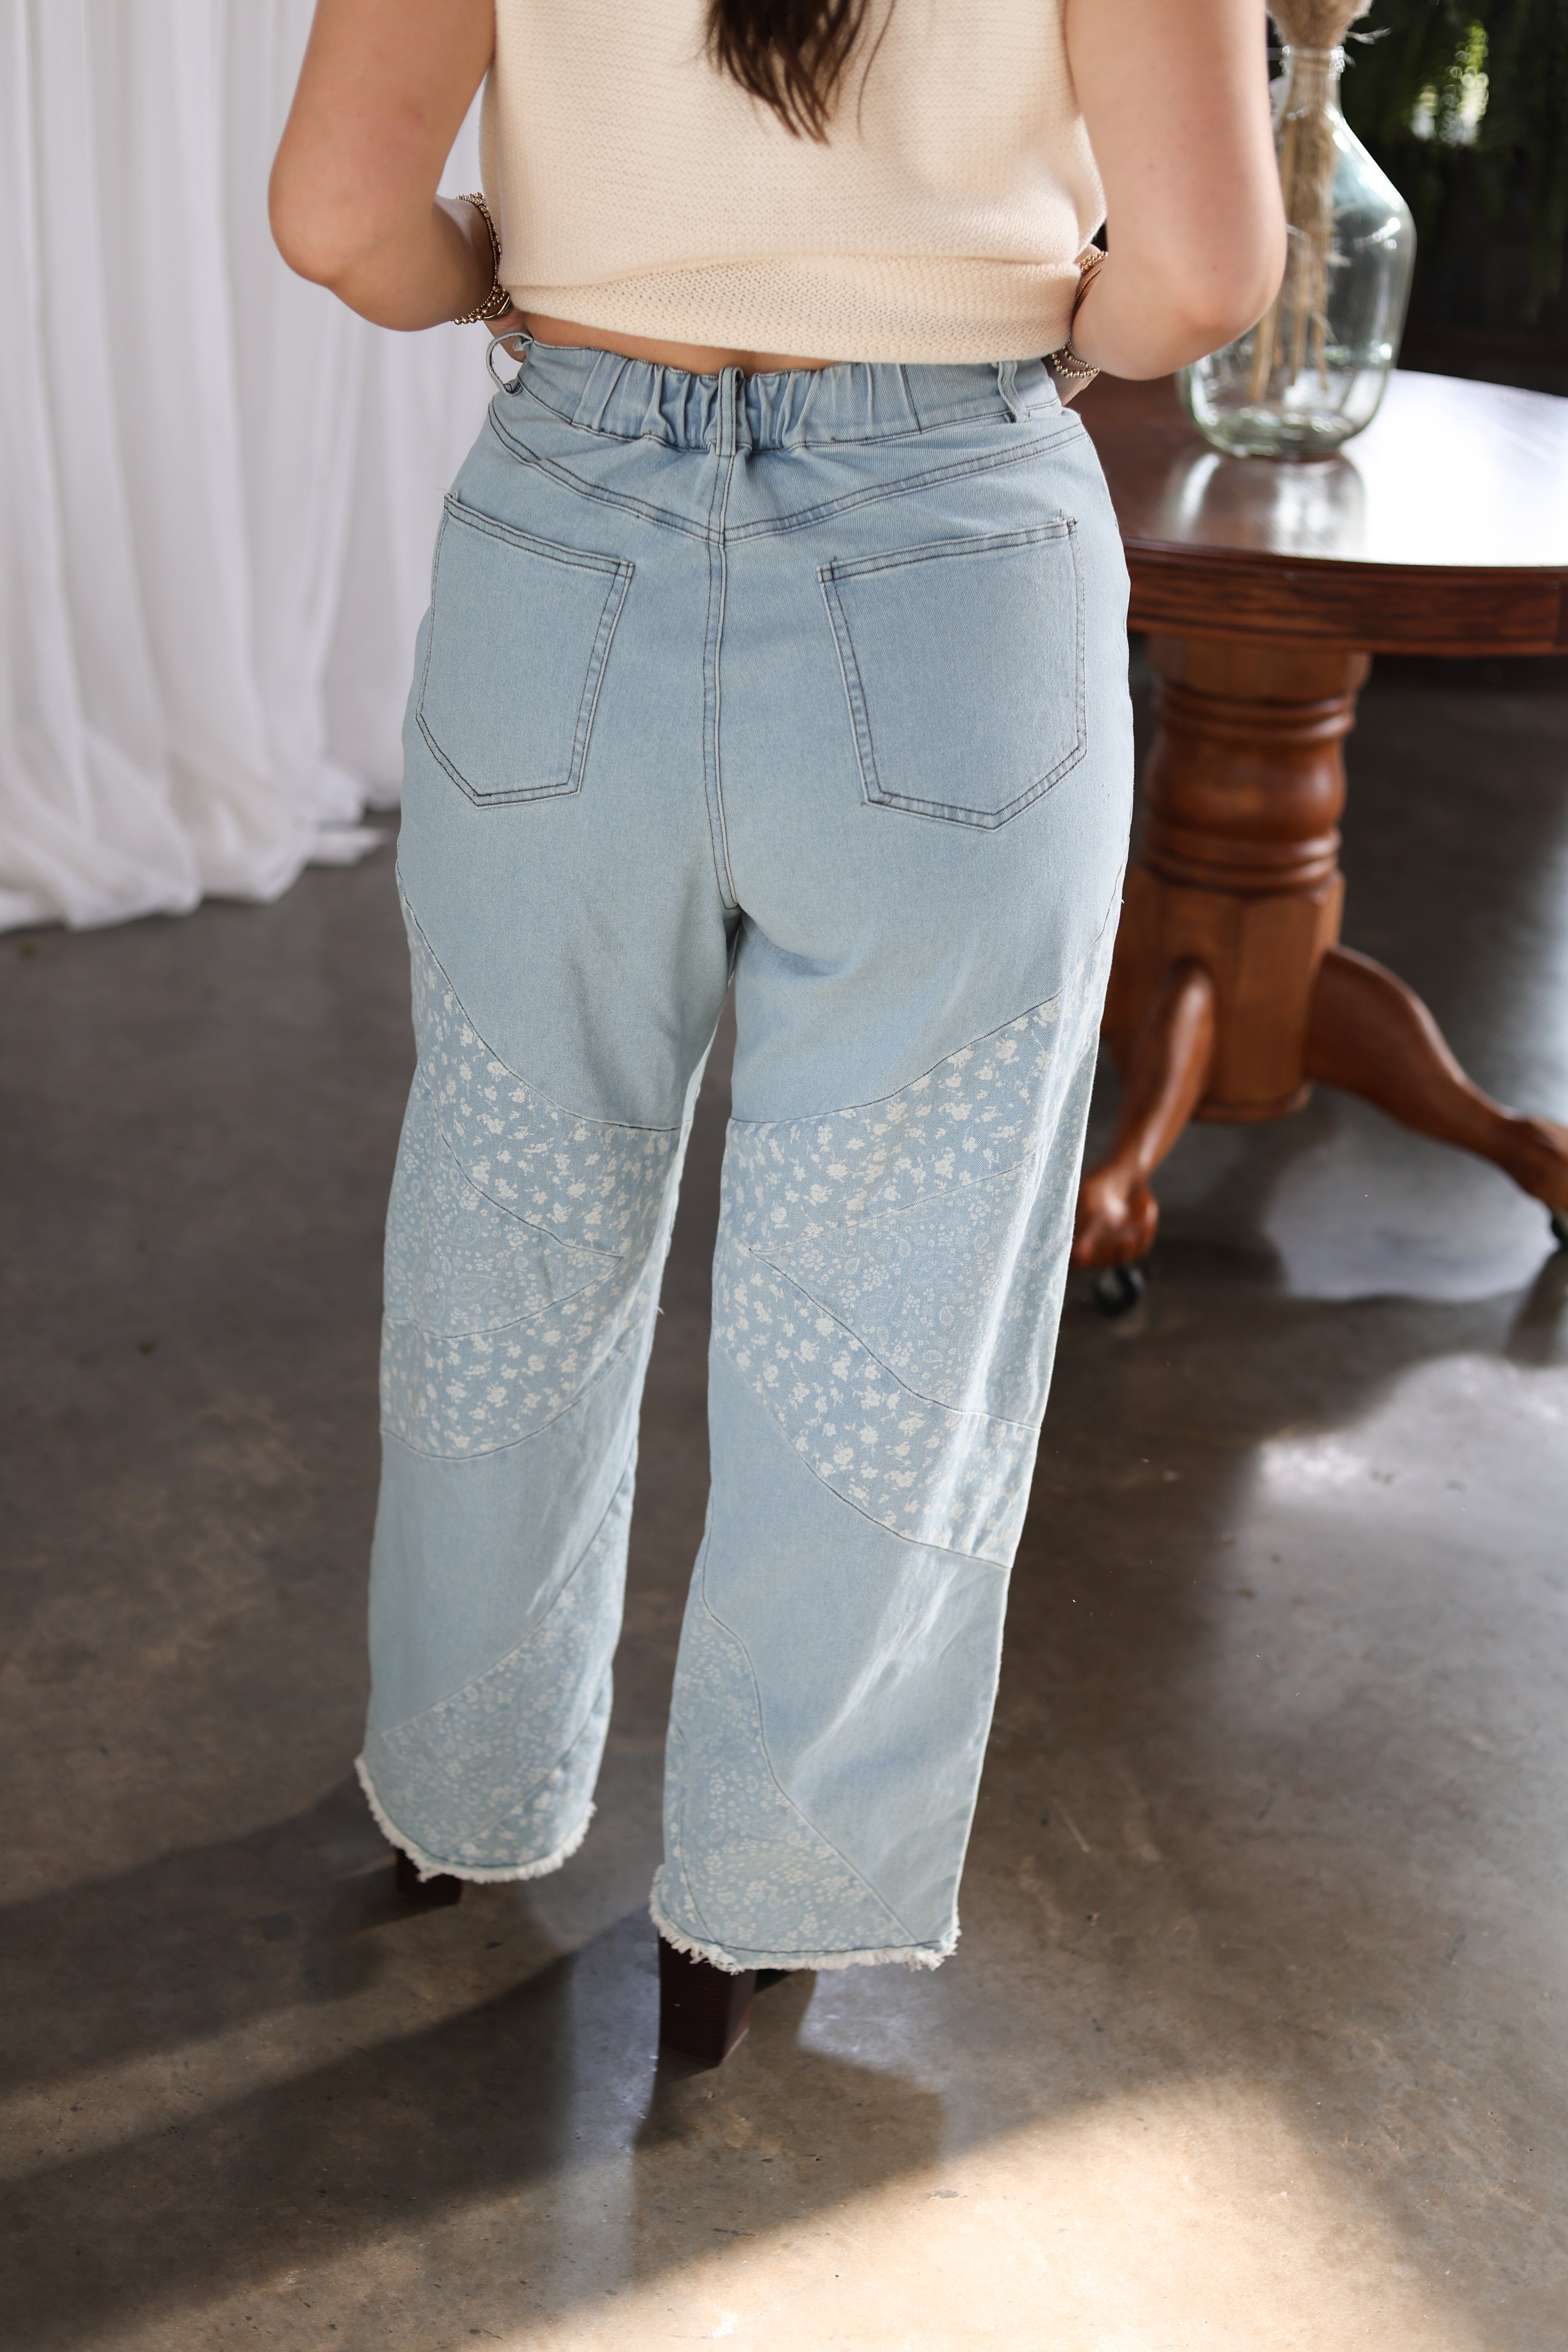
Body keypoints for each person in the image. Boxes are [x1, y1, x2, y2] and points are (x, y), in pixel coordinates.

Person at [271, 0, 1283, 2062]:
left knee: (508, 1212)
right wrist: (1039, 334)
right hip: (953, 553)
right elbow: (1199, 278)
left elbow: (341, 219)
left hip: (567, 531)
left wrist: (516, 279)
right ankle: (763, 1907)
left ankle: (461, 1795)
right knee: (905, 1276)